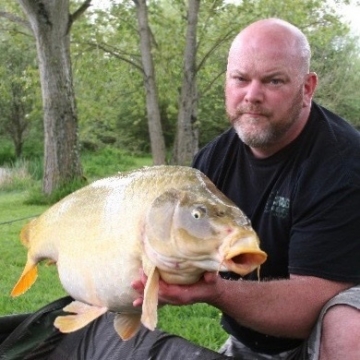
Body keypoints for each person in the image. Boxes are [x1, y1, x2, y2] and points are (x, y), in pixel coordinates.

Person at [1, 17, 360, 360]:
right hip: (250, 340)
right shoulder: (214, 159)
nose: (252, 95)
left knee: (350, 322)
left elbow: (309, 304)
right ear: (226, 84)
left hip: (320, 339)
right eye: (240, 79)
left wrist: (216, 292)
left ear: (307, 87)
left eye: (274, 81)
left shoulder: (342, 162)